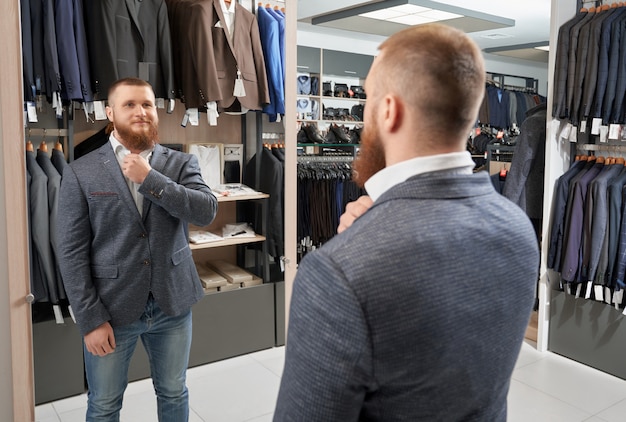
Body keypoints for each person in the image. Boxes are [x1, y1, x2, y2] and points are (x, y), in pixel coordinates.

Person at [274, 24, 539, 421]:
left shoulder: (337, 273)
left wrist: (358, 250)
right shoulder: (518, 229)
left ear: (388, 110)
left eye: (366, 99)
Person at [57, 77, 218, 421]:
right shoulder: (80, 171)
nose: (141, 111)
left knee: (174, 391)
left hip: (172, 304)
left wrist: (151, 180)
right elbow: (70, 251)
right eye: (129, 104)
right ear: (109, 112)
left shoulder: (180, 163)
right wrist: (90, 319)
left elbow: (206, 211)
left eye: (147, 104)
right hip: (110, 310)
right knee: (103, 404)